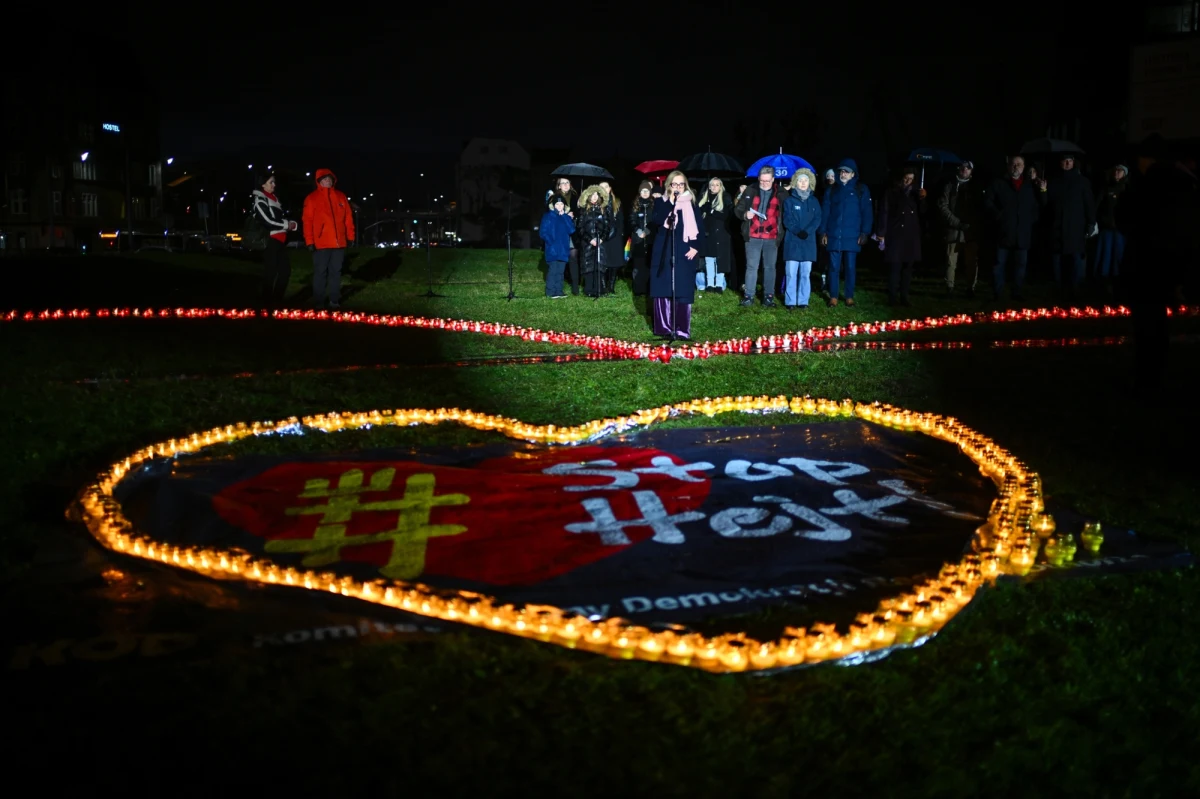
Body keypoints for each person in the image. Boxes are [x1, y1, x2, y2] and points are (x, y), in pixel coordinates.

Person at [649, 170, 705, 338]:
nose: (678, 187)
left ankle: (681, 329)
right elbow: (657, 220)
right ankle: (664, 328)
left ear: (685, 186)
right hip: (664, 248)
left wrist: (695, 246)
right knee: (663, 286)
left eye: (681, 184)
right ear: (669, 185)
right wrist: (670, 203)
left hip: (685, 250)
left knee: (683, 287)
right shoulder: (661, 202)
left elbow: (700, 228)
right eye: (675, 184)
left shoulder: (692, 204)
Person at [1039, 153, 1096, 299]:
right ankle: (1059, 287)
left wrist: (1091, 222)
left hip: (1076, 226)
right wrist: (1043, 190)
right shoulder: (1053, 181)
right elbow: (1046, 204)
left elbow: (1089, 203)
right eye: (1064, 161)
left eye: (1069, 161)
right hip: (1057, 225)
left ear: (1073, 163)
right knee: (1057, 257)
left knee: (1076, 256)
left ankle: (1075, 287)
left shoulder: (1082, 181)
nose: (1067, 163)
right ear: (1060, 163)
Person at [985, 155, 1040, 302]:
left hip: (1022, 233)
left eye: (1019, 164)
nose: (1016, 167)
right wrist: (998, 216)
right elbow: (988, 202)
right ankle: (998, 292)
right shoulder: (998, 183)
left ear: (1023, 167)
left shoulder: (1028, 186)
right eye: (1013, 164)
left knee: (1020, 265)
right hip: (1004, 231)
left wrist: (1029, 221)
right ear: (1008, 166)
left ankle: (1017, 292)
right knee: (999, 264)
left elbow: (1036, 206)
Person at [820, 159, 873, 307]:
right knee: (834, 267)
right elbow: (826, 212)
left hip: (852, 235)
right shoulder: (832, 190)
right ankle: (834, 296)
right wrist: (823, 232)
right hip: (834, 234)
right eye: (841, 171)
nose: (843, 173)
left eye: (846, 171)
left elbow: (867, 212)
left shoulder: (861, 189)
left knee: (850, 267)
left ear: (853, 174)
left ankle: (849, 296)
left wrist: (865, 232)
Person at [302, 168, 355, 310]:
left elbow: (348, 218)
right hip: (321, 243)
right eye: (324, 179)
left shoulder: (341, 196)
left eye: (330, 179)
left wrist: (350, 236)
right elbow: (307, 221)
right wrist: (310, 241)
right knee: (320, 272)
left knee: (336, 272)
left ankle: (334, 300)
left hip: (339, 243)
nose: (328, 181)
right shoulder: (312, 198)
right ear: (319, 181)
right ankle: (318, 301)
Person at [876, 167, 927, 306]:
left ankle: (905, 296)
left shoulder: (916, 194)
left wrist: (923, 199)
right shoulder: (892, 192)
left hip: (911, 236)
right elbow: (884, 212)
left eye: (911, 179)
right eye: (906, 178)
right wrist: (881, 233)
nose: (908, 181)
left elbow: (923, 214)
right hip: (896, 234)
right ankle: (892, 297)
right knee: (895, 268)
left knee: (908, 269)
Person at [735, 166, 785, 307]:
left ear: (773, 179)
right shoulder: (750, 190)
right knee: (751, 267)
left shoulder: (780, 193)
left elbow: (787, 214)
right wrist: (745, 215)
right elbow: (738, 209)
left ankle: (768, 297)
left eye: (767, 181)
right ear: (758, 178)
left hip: (772, 236)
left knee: (770, 267)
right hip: (753, 235)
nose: (764, 184)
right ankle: (748, 296)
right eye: (762, 180)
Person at [251, 172, 298, 308]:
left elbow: (277, 219)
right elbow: (267, 220)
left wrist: (290, 224)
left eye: (274, 182)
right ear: (263, 184)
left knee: (285, 271)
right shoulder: (259, 199)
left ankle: (276, 301)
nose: (274, 185)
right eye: (271, 182)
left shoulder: (275, 199)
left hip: (280, 241)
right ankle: (266, 304)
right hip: (270, 240)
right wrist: (286, 224)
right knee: (270, 273)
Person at [938, 159, 984, 296]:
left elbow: (980, 208)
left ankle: (971, 288)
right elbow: (943, 206)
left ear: (971, 171)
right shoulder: (949, 185)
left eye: (968, 168)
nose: (965, 169)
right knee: (950, 261)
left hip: (971, 231)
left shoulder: (976, 187)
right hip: (953, 230)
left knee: (971, 261)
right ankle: (949, 287)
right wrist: (957, 223)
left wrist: (971, 223)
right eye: (963, 167)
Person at [780, 168, 822, 310]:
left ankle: (803, 300)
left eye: (806, 180)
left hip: (808, 242)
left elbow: (817, 219)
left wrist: (808, 231)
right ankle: (790, 301)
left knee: (805, 273)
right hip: (793, 241)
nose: (803, 183)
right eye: (800, 180)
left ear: (809, 182)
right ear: (795, 183)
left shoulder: (814, 201)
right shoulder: (789, 200)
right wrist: (798, 231)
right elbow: (787, 219)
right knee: (791, 273)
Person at [1093, 163, 1129, 291]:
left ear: (1124, 173)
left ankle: (1118, 281)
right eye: (1115, 170)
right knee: (1105, 255)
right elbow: (1097, 206)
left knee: (1119, 255)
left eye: (1120, 170)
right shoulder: (1106, 188)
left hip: (1120, 229)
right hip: (1107, 227)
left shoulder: (1127, 189)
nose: (1116, 172)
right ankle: (1103, 281)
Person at [576, 185, 614, 298]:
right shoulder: (583, 211)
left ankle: (599, 289)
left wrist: (601, 238)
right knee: (588, 266)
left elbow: (607, 226)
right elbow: (580, 228)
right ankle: (589, 290)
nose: (594, 197)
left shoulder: (603, 209)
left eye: (596, 195)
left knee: (599, 265)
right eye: (592, 195)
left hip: (600, 242)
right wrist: (589, 239)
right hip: (587, 244)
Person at [697, 177, 733, 293]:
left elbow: (725, 216)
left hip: (721, 235)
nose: (714, 187)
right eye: (712, 185)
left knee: (720, 260)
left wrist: (711, 211)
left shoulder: (725, 198)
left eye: (717, 185)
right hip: (708, 235)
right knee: (709, 260)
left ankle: (719, 284)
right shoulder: (704, 198)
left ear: (721, 186)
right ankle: (710, 284)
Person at [549, 177, 581, 294]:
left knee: (573, 257)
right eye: (563, 183)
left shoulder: (576, 197)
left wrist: (575, 213)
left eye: (567, 182)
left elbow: (580, 211)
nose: (566, 185)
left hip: (572, 230)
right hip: (559, 232)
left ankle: (575, 286)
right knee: (560, 259)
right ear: (558, 186)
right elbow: (549, 213)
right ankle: (556, 286)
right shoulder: (553, 197)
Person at [539, 195, 575, 298]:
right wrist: (551, 242)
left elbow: (571, 230)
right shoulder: (548, 216)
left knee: (560, 272)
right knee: (553, 271)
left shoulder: (566, 217)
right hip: (553, 249)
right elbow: (543, 232)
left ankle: (559, 291)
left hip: (563, 249)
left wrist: (565, 216)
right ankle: (550, 292)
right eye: (557, 204)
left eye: (562, 204)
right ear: (553, 205)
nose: (559, 206)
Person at [628, 181, 655, 296]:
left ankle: (647, 288)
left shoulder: (653, 205)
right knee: (638, 264)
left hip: (649, 240)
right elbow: (631, 220)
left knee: (648, 265)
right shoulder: (635, 204)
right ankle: (638, 289)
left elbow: (655, 221)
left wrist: (647, 231)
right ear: (640, 192)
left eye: (647, 191)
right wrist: (638, 231)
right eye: (643, 191)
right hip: (638, 239)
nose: (645, 193)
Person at [599, 180, 625, 295]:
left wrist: (619, 233)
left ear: (610, 189)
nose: (604, 189)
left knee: (614, 263)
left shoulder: (617, 202)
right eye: (601, 187)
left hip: (615, 237)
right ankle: (603, 287)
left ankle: (611, 287)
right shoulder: (597, 202)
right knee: (603, 262)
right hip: (602, 236)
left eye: (606, 186)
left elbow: (621, 220)